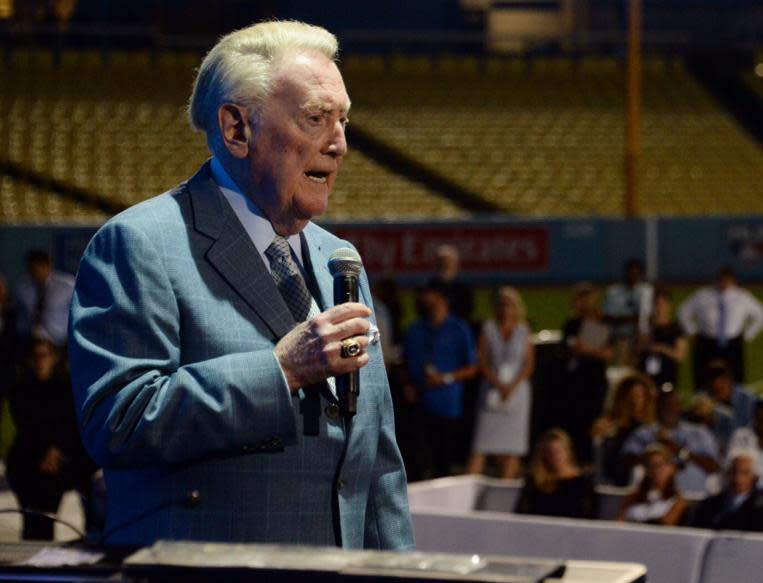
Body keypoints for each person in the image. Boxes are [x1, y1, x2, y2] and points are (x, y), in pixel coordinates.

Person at [69, 21, 414, 549]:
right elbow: (120, 420)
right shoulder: (140, 245)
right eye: (316, 118)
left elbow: (377, 462)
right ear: (236, 128)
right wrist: (280, 370)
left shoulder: (339, 261)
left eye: (343, 121)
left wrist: (399, 568)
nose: (340, 143)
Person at [6, 339, 98, 540]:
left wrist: (56, 452)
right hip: (28, 462)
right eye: (35, 357)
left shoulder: (64, 388)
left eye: (44, 356)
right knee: (30, 520)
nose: (40, 362)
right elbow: (25, 426)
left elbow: (68, 424)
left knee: (48, 519)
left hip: (57, 464)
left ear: (54, 358)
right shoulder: (22, 389)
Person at [403, 280, 478, 478]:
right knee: (417, 460)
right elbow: (403, 362)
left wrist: (445, 378)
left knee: (443, 461)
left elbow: (472, 368)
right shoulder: (414, 330)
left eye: (428, 293)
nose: (423, 299)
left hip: (447, 404)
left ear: (441, 298)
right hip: (418, 404)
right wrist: (407, 385)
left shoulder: (459, 329)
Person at [468, 287, 535, 479]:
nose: (505, 310)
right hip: (491, 390)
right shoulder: (488, 329)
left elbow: (528, 364)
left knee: (512, 449)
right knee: (480, 445)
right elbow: (482, 360)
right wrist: (497, 384)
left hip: (517, 393)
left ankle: (506, 490)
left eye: (510, 305)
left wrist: (512, 387)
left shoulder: (524, 331)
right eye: (502, 305)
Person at [622, 389, 720, 494]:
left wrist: (677, 449)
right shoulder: (644, 432)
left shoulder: (699, 432)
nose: (670, 409)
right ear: (657, 407)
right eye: (665, 404)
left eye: (674, 404)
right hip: (654, 500)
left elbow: (713, 467)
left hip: (693, 498)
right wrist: (655, 457)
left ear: (681, 407)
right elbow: (627, 460)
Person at [678, 266, 763, 386]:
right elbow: (683, 311)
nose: (723, 283)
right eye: (721, 279)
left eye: (727, 280)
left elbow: (759, 315)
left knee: (735, 378)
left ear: (733, 281)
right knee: (703, 378)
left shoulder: (742, 296)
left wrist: (748, 334)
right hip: (707, 342)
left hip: (732, 343)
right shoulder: (703, 295)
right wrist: (692, 331)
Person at [557, 283, 614, 464]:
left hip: (593, 384)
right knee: (572, 427)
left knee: (591, 427)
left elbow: (607, 353)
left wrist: (586, 350)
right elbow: (564, 351)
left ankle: (591, 464)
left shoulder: (599, 323)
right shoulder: (572, 324)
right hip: (573, 385)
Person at [515, 428, 597, 519]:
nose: (555, 456)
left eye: (559, 451)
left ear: (568, 451)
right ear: (544, 455)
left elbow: (589, 514)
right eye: (550, 452)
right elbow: (522, 512)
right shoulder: (536, 481)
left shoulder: (583, 482)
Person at [591, 373, 655, 486]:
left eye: (639, 396)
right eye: (631, 396)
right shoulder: (607, 425)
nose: (634, 402)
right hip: (609, 479)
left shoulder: (650, 429)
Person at [13, 249, 74, 349]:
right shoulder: (21, 287)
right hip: (29, 340)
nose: (34, 273)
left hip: (59, 341)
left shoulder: (68, 285)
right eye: (30, 269)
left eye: (37, 268)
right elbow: (17, 311)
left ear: (48, 266)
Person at [691, 449, 763, 531]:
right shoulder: (709, 504)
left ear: (755, 477)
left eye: (745, 473)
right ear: (727, 474)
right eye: (733, 472)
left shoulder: (760, 506)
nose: (738, 478)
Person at [618, 443, 687, 526]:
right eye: (650, 465)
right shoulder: (632, 497)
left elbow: (666, 525)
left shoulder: (678, 501)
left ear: (671, 468)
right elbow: (619, 524)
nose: (656, 470)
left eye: (660, 465)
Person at [603, 258, 654, 366]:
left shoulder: (646, 291)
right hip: (621, 338)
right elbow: (608, 317)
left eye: (636, 273)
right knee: (620, 371)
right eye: (631, 272)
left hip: (641, 340)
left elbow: (650, 317)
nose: (633, 276)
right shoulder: (614, 291)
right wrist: (633, 319)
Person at [638, 288, 686, 390]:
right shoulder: (647, 327)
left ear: (669, 305)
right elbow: (638, 347)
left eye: (663, 304)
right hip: (648, 374)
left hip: (667, 374)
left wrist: (662, 349)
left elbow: (680, 355)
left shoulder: (675, 328)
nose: (659, 308)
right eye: (657, 304)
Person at [433, 244, 474, 324]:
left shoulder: (464, 288)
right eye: (441, 262)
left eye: (448, 262)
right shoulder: (431, 286)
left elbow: (467, 310)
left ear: (455, 264)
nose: (444, 265)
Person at [727, 399, 763, 484]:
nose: (762, 423)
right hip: (744, 490)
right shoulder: (741, 435)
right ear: (754, 417)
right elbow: (731, 465)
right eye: (760, 418)